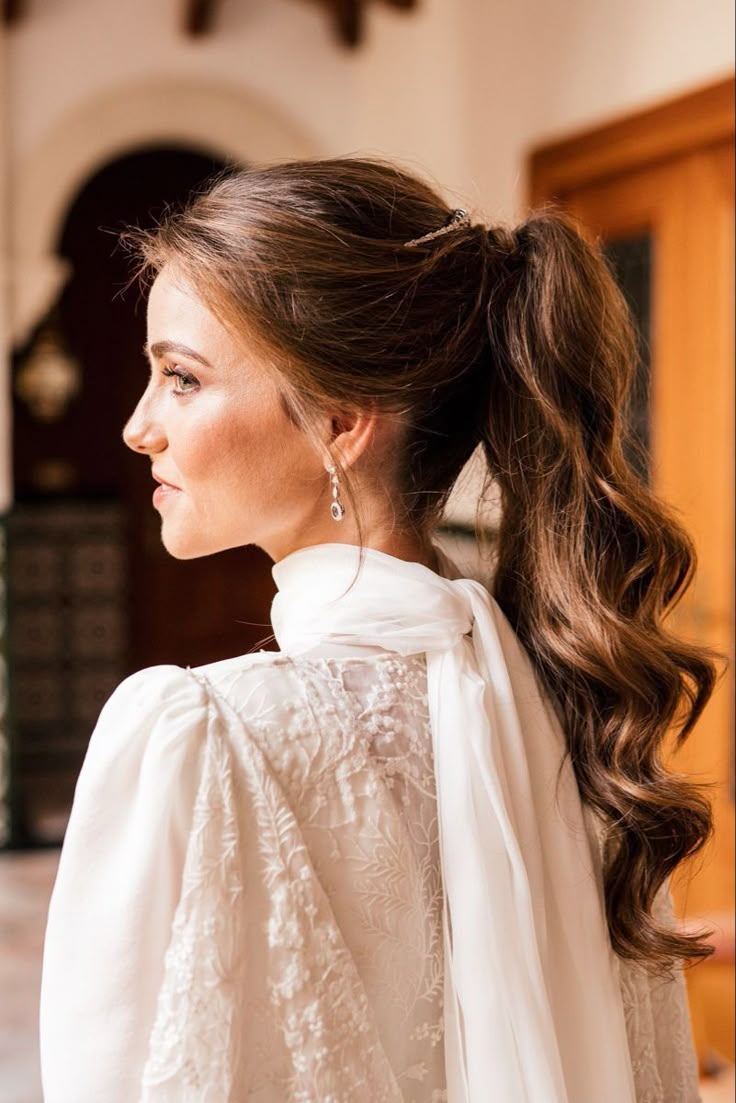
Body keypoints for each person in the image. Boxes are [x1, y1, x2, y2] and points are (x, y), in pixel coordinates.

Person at [39, 157, 720, 1103]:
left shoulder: (199, 738)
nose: (137, 426)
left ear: (342, 419)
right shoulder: (575, 718)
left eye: (182, 378)